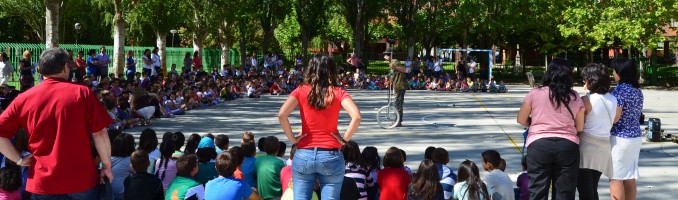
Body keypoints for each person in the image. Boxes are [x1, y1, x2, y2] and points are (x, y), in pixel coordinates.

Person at [0, 48, 114, 198]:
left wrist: (19, 160)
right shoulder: (82, 93)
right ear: (66, 67)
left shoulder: (24, 98)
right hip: (81, 179)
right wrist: (106, 165)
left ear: (40, 70)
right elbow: (100, 133)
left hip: (43, 180)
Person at [278, 54, 362, 200]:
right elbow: (356, 116)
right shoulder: (338, 92)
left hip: (304, 152)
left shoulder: (300, 91)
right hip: (330, 154)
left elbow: (282, 114)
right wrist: (344, 140)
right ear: (331, 70)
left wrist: (293, 139)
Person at [517, 58, 584, 200]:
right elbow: (580, 127)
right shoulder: (574, 97)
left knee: (537, 190)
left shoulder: (535, 93)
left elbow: (521, 119)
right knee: (565, 192)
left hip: (539, 144)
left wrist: (536, 123)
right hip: (567, 146)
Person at [576, 63, 619, 200]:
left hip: (587, 150)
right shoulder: (613, 99)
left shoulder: (586, 100)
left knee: (585, 191)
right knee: (593, 188)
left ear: (590, 80)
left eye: (585, 79)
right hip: (603, 149)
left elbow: (579, 127)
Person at [609, 58, 643, 200]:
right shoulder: (638, 90)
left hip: (620, 137)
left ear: (621, 72)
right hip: (635, 136)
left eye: (614, 70)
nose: (612, 73)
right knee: (629, 175)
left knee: (615, 177)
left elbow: (615, 118)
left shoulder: (619, 91)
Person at [385, 48, 410, 127]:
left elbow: (404, 70)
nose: (384, 57)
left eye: (385, 55)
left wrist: (395, 67)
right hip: (397, 85)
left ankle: (398, 121)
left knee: (397, 104)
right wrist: (393, 89)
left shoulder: (395, 62)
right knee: (397, 103)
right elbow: (393, 77)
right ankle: (398, 120)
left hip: (401, 85)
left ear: (389, 55)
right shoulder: (391, 63)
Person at [111, 133, 136, 200]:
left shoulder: (108, 158)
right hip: (122, 194)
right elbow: (139, 173)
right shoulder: (129, 160)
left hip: (108, 194)